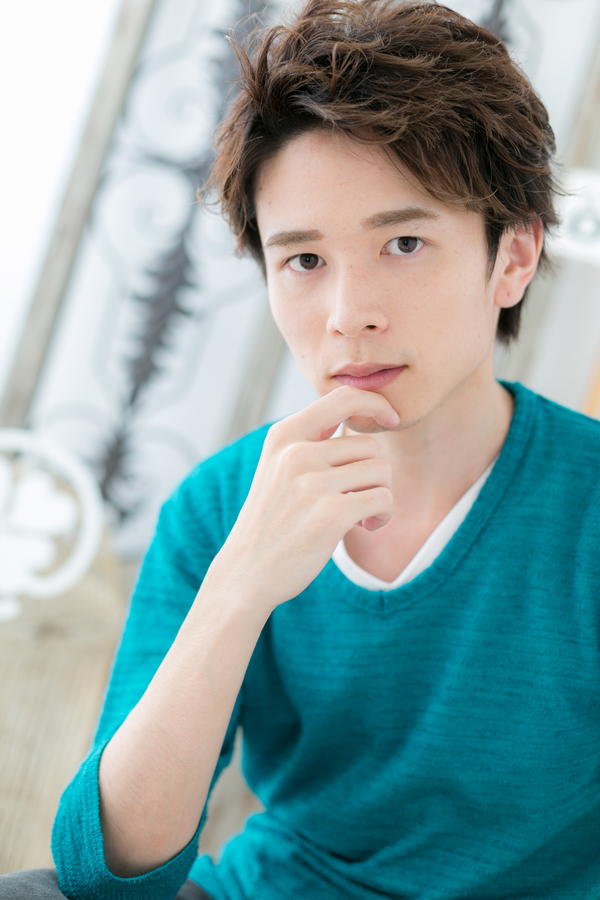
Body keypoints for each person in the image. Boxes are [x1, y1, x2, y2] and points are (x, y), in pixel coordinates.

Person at [5, 0, 600, 898]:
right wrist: (241, 584)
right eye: (305, 261)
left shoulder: (586, 505)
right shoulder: (219, 507)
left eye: (404, 243)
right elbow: (107, 876)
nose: (348, 315)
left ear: (511, 258)